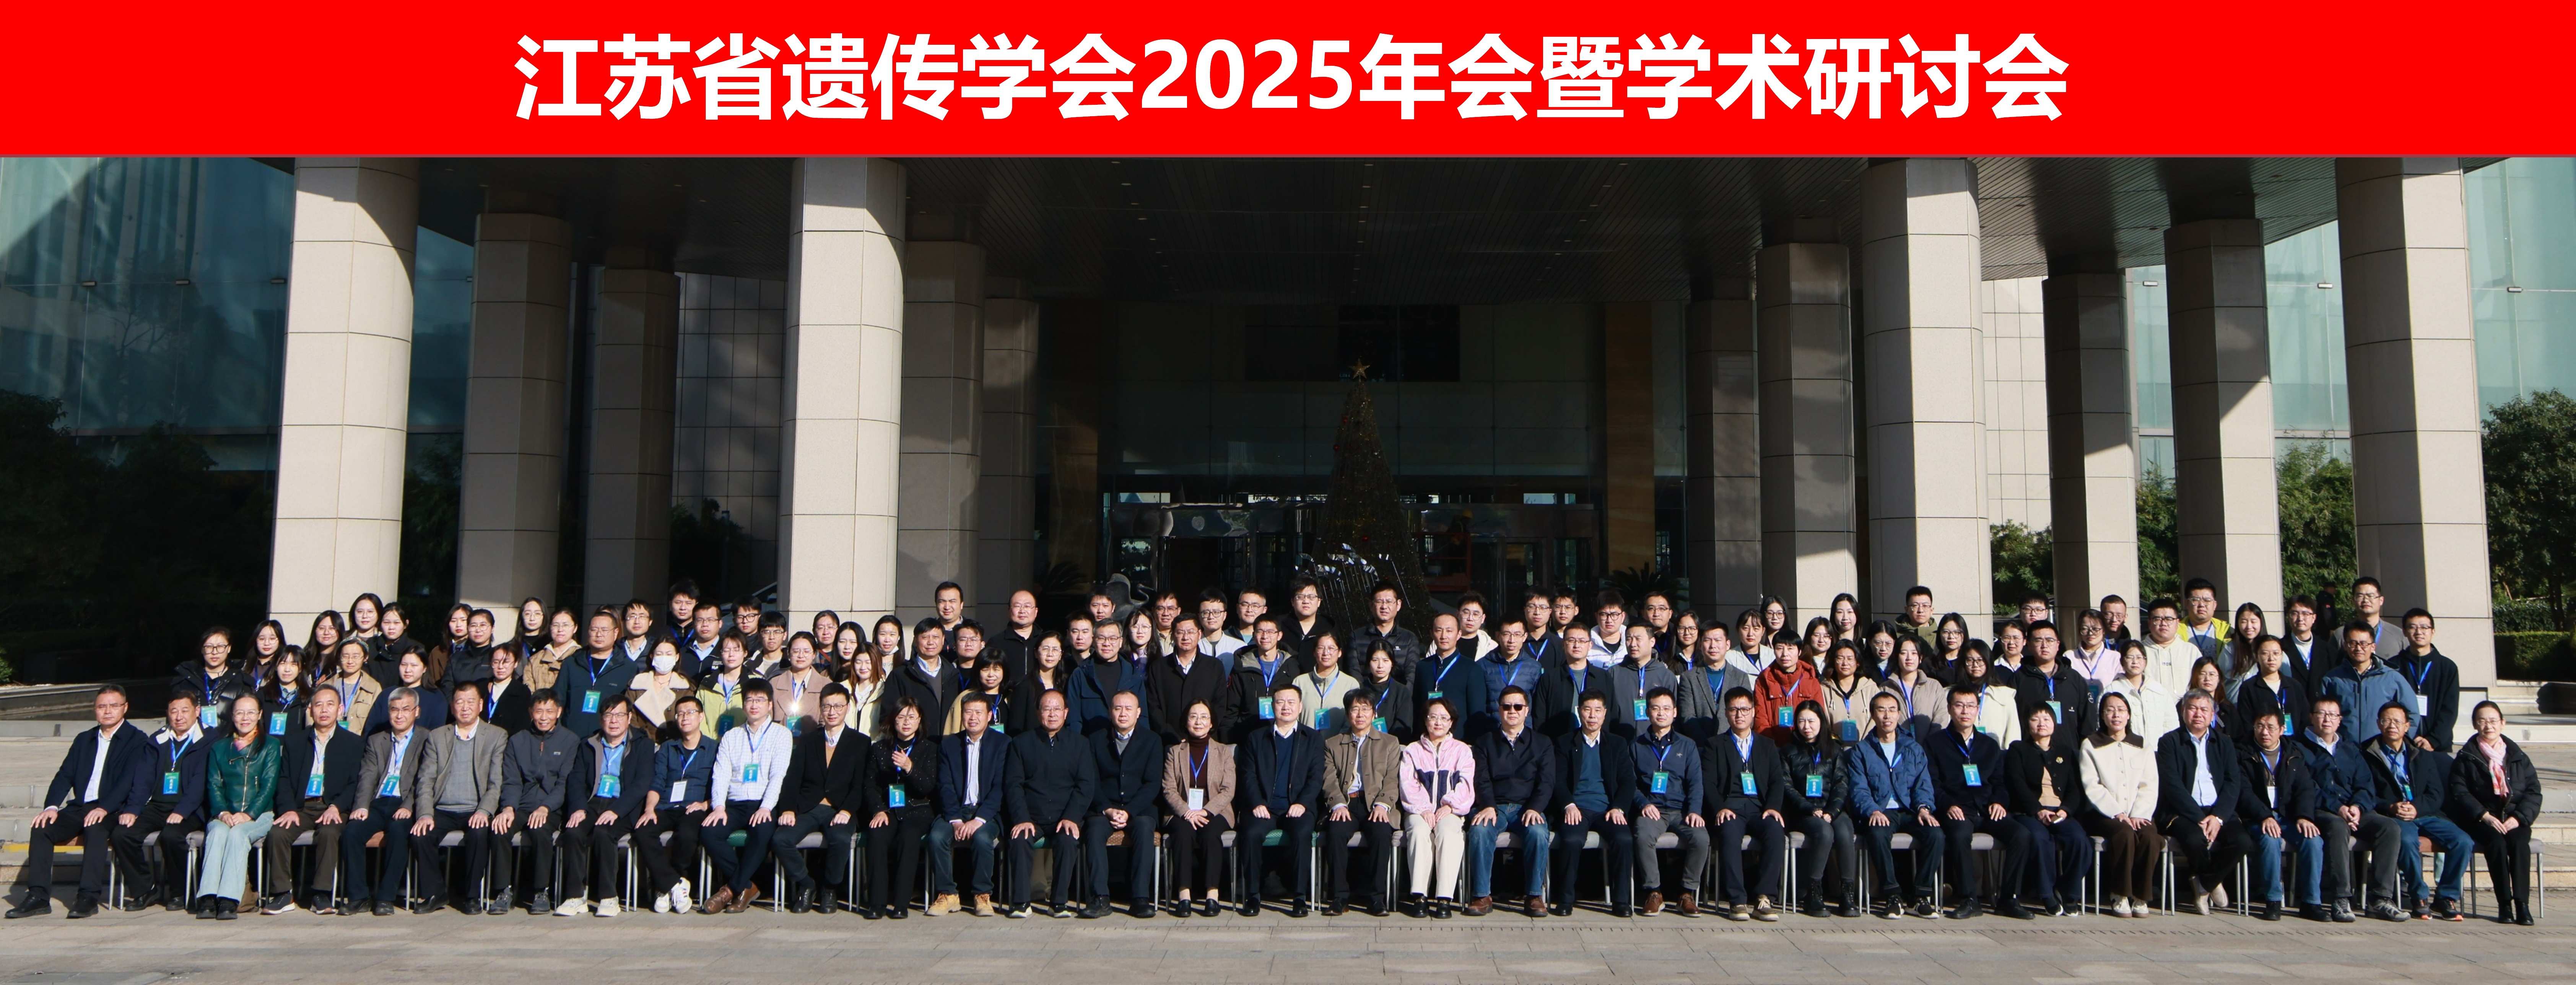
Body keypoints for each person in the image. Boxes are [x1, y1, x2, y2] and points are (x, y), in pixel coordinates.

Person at [7, 686, 152, 919]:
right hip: (81, 806)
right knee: (42, 828)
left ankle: (88, 897)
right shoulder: (85, 739)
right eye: (102, 706)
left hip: (114, 809)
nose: (108, 711)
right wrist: (51, 807)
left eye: (114, 706)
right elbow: (64, 775)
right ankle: (38, 897)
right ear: (95, 710)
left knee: (95, 829)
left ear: (125, 708)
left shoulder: (137, 740)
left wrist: (104, 808)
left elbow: (128, 781)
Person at [1923, 684, 2033, 919]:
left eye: (1971, 706)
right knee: (1960, 834)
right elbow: (1933, 783)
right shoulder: (1935, 743)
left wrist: (1999, 802)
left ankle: (2009, 899)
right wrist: (1948, 805)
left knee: (2021, 834)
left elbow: (2000, 782)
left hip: (1986, 808)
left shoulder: (1989, 745)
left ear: (1978, 710)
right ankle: (1969, 899)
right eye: (1959, 706)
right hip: (1957, 809)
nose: (1965, 711)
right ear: (1950, 709)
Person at [2297, 694, 2402, 922]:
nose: (2327, 719)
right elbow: (2306, 788)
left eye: (2332, 715)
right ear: (2312, 717)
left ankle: (2380, 898)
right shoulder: (2299, 747)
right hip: (2322, 811)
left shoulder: (2349, 748)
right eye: (2321, 714)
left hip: (2354, 810)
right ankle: (2341, 898)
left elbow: (2366, 784)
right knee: (2337, 827)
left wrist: (2357, 807)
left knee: (2389, 827)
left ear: (2340, 720)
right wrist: (2339, 808)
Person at [2365, 701, 2473, 920]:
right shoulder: (2367, 754)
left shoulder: (2421, 754)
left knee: (2463, 841)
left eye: (2398, 721)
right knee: (2406, 841)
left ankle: (2446, 897)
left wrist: (2416, 808)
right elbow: (2365, 793)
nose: (2392, 726)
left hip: (2424, 813)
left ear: (2407, 726)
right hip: (2393, 815)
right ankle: (2419, 897)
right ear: (2378, 724)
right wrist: (2391, 807)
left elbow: (2436, 793)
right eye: (2387, 721)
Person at [259, 684, 360, 915]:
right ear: (310, 710)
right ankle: (283, 894)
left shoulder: (353, 743)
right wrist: (288, 809)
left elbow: (356, 783)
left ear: (340, 710)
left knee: (329, 833)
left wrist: (336, 807)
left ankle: (321, 894)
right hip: (301, 807)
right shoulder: (295, 741)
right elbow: (283, 779)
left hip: (333, 806)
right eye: (319, 705)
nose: (324, 710)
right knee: (278, 833)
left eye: (330, 705)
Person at [769, 683, 868, 914]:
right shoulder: (808, 741)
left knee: (840, 839)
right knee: (781, 839)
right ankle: (807, 884)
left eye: (838, 706)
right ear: (821, 709)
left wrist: (847, 810)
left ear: (848, 708)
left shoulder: (860, 742)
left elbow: (860, 785)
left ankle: (830, 889)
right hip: (808, 807)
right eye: (827, 707)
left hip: (840, 809)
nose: (832, 712)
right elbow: (793, 779)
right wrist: (788, 809)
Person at [406, 682, 505, 914]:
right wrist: (425, 814)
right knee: (420, 835)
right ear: (452, 707)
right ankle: (435, 893)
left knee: (479, 835)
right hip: (442, 809)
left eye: (471, 702)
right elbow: (426, 780)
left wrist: (484, 811)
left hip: (475, 808)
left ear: (481, 705)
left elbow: (496, 782)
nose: (465, 707)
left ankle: (472, 896)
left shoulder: (496, 736)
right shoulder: (438, 736)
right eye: (460, 702)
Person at [109, 693, 212, 913]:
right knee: (122, 834)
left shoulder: (209, 739)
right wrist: (133, 809)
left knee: (172, 836)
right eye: (174, 711)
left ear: (197, 711)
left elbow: (201, 782)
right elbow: (143, 779)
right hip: (158, 805)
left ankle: (179, 892)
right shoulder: (158, 740)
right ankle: (145, 889)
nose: (179, 717)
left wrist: (182, 810)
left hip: (192, 808)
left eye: (185, 711)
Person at [555, 696, 656, 917]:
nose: (614, 721)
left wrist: (616, 811)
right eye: (609, 715)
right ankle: (575, 896)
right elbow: (576, 779)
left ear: (629, 718)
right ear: (601, 719)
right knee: (573, 832)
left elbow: (642, 784)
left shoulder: (643, 745)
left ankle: (609, 897)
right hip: (593, 802)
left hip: (624, 805)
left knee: (604, 832)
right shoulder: (589, 744)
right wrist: (578, 808)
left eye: (619, 715)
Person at [699, 678, 794, 913]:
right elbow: (721, 774)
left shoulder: (782, 735)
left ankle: (728, 891)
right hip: (734, 804)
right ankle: (746, 887)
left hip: (763, 803)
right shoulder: (732, 736)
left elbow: (778, 775)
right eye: (750, 700)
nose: (754, 705)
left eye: (760, 700)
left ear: (770, 705)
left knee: (762, 833)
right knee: (709, 832)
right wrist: (719, 807)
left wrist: (766, 807)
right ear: (743, 705)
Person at [1846, 691, 1943, 919]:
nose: (1887, 716)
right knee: (1877, 833)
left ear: (1899, 714)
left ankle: (1920, 897)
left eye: (1892, 710)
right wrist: (1872, 809)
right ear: (1873, 715)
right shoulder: (1862, 751)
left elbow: (1923, 783)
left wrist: (1924, 808)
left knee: (1936, 835)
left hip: (1910, 810)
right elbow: (1859, 789)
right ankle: (1893, 896)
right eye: (1881, 710)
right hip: (1881, 811)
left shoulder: (1913, 748)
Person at [2156, 690, 2249, 916]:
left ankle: (2204, 884)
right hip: (2183, 812)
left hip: (2217, 811)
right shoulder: (2169, 742)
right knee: (2194, 839)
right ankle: (2213, 882)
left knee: (2242, 841)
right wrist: (2200, 818)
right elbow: (2172, 786)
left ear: (2213, 715)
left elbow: (2233, 782)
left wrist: (2217, 818)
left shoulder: (2224, 742)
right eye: (2193, 709)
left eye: (2204, 710)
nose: (2198, 714)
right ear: (2183, 712)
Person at [1236, 682, 1324, 917]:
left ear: (1300, 707)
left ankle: (1300, 897)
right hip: (1264, 807)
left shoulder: (1312, 738)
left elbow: (1316, 777)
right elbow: (1248, 775)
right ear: (1272, 706)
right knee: (1251, 833)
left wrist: (1302, 803)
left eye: (1291, 702)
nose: (1286, 707)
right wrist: (1257, 802)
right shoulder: (1256, 738)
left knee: (1302, 833)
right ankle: (1253, 896)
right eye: (1280, 702)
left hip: (1298, 806)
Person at [1466, 685, 1554, 917]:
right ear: (1499, 710)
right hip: (1495, 807)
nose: (1512, 711)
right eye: (1507, 707)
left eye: (1518, 706)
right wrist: (1488, 805)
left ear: (1527, 710)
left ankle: (1534, 896)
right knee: (1480, 830)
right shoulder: (1485, 742)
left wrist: (1535, 808)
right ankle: (1482, 896)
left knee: (1538, 832)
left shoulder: (1542, 743)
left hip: (1527, 808)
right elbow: (1481, 779)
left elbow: (1546, 782)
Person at [192, 693, 280, 921]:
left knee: (238, 835)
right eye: (240, 713)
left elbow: (269, 785)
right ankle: (208, 898)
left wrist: (249, 814)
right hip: (225, 814)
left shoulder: (271, 745)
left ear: (260, 715)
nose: (245, 718)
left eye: (251, 713)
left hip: (259, 814)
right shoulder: (219, 748)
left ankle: (229, 900)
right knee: (218, 833)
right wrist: (223, 812)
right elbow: (214, 784)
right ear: (232, 716)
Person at [1548, 694, 1636, 917]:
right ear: (1579, 712)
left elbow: (1628, 781)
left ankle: (1621, 901)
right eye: (1587, 710)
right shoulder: (1565, 743)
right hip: (1577, 809)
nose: (1592, 716)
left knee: (1624, 839)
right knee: (1571, 840)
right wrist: (1568, 805)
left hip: (1608, 810)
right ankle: (1565, 900)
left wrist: (1618, 807)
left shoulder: (1617, 744)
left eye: (1598, 710)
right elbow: (1557, 781)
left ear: (1605, 714)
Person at [2452, 701, 2540, 925]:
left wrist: (2519, 818)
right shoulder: (2467, 757)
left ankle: (2522, 905)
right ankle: (2505, 905)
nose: (2488, 726)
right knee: (2497, 844)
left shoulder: (2518, 756)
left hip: (2514, 818)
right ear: (2475, 725)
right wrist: (2484, 816)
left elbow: (2533, 792)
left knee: (2519, 844)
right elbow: (2460, 792)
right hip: (2482, 820)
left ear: (2503, 723)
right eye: (2482, 721)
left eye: (2493, 721)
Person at [339, 687, 424, 915]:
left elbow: (425, 779)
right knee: (352, 832)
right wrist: (362, 806)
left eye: (406, 710)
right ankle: (359, 897)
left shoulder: (427, 739)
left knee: (398, 831)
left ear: (416, 712)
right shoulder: (377, 740)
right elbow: (367, 776)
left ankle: (386, 897)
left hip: (406, 803)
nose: (400, 715)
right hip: (379, 801)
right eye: (395, 710)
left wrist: (409, 806)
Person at [490, 689, 576, 915]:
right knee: (500, 828)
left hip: (551, 806)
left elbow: (564, 783)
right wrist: (508, 808)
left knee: (540, 831)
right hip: (522, 804)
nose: (544, 717)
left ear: (559, 712)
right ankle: (503, 891)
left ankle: (541, 891)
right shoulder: (517, 740)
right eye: (539, 712)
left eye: (549, 711)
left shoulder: (570, 741)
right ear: (531, 712)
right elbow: (512, 780)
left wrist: (546, 807)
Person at [2002, 703, 2090, 917]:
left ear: (2055, 723)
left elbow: (2075, 789)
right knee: (2040, 839)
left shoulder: (2066, 752)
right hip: (2030, 812)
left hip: (2060, 812)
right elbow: (2017, 784)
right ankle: (2047, 894)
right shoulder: (2018, 750)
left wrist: (2065, 811)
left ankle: (2068, 892)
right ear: (2028, 724)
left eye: (2046, 719)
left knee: (2080, 840)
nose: (2041, 723)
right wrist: (2038, 810)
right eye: (2035, 719)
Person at [1707, 688, 1788, 922]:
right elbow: (1708, 783)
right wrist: (1720, 808)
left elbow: (1777, 781)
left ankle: (1764, 898)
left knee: (1776, 832)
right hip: (1730, 808)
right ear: (1726, 713)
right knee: (1730, 834)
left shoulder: (1767, 746)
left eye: (1744, 709)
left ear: (1754, 712)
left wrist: (1773, 807)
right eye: (1734, 710)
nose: (1739, 715)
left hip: (1759, 808)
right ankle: (1737, 900)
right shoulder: (1715, 745)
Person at [1320, 689, 1401, 917]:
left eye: (1365, 709)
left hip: (1376, 804)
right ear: (1348, 714)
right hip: (1347, 803)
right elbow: (1329, 780)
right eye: (1355, 709)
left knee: (1381, 834)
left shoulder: (1390, 743)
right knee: (1336, 832)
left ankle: (1377, 899)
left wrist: (1382, 804)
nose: (1360, 714)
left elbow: (1393, 779)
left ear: (1374, 713)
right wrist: (1338, 804)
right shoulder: (1333, 744)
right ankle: (1339, 897)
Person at [1083, 690, 1163, 918]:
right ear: (1110, 712)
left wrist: (1129, 812)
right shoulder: (1095, 740)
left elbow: (1152, 784)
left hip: (1138, 808)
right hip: (1105, 807)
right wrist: (1107, 809)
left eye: (1129, 709)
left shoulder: (1152, 741)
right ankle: (1100, 898)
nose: (1123, 713)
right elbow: (1091, 781)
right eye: (1118, 708)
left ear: (1138, 713)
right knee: (1094, 830)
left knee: (1145, 829)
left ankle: (1140, 899)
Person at [2080, 691, 2160, 917]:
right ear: (2102, 716)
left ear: (2129, 715)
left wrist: (2139, 814)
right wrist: (2117, 812)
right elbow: (2092, 785)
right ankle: (2120, 893)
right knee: (2124, 834)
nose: (2116, 715)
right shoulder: (2091, 745)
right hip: (2104, 814)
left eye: (2121, 710)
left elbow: (2149, 784)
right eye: (2110, 710)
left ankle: (2142, 896)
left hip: (2138, 813)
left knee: (2150, 836)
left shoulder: (2142, 745)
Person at [1627, 688, 1707, 916]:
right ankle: (1654, 892)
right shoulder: (1637, 745)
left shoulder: (1687, 745)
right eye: (1656, 709)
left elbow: (1696, 783)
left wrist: (1694, 811)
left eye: (1666, 709)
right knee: (1643, 836)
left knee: (1701, 838)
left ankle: (1686, 894)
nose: (1661, 713)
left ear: (1675, 712)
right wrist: (1644, 804)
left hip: (1681, 810)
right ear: (1647, 712)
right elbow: (1629, 784)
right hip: (1652, 810)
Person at [2239, 705, 2323, 921]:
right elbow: (2243, 792)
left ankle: (2312, 902)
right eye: (2260, 726)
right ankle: (2273, 900)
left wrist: (2304, 816)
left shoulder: (2294, 754)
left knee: (2313, 840)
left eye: (2270, 727)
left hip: (2288, 817)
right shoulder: (2244, 753)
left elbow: (2305, 789)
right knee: (2270, 840)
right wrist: (2264, 816)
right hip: (2258, 818)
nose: (2264, 732)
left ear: (2282, 729)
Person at [635, 694, 717, 915]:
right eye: (680, 714)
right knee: (643, 830)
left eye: (690, 713)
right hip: (665, 806)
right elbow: (657, 782)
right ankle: (674, 885)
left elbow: (720, 785)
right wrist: (649, 809)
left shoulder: (714, 748)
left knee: (687, 835)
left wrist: (706, 804)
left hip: (695, 808)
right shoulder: (667, 748)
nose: (685, 718)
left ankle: (666, 887)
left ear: (701, 717)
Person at [1399, 698, 1477, 918]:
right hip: (1418, 810)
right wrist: (1424, 808)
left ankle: (1445, 898)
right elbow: (1408, 784)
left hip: (1450, 810)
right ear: (1425, 721)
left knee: (1449, 832)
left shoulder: (1462, 750)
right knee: (1418, 831)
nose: (1438, 723)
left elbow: (1466, 784)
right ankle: (1420, 896)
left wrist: (1449, 806)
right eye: (1433, 717)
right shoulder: (1413, 750)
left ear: (1452, 722)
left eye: (1444, 718)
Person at [863, 697, 940, 919]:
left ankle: (901, 904)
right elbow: (870, 785)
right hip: (888, 809)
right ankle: (877, 903)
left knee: (909, 838)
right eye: (901, 717)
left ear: (920, 721)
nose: (907, 722)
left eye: (912, 717)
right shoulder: (880, 749)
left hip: (917, 809)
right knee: (877, 836)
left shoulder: (929, 749)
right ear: (893, 720)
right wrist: (879, 809)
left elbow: (928, 786)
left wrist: (910, 767)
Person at [1781, 701, 1859, 918]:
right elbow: (1786, 786)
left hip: (1831, 809)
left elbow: (1841, 783)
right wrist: (1809, 809)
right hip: (1803, 812)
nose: (1807, 727)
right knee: (1824, 832)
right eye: (1802, 721)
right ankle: (1813, 892)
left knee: (1844, 830)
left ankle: (1847, 893)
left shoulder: (1834, 750)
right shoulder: (1788, 751)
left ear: (1821, 722)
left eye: (1812, 721)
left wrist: (1832, 811)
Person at [933, 692, 1009, 917]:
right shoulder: (949, 744)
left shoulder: (1003, 744)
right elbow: (945, 786)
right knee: (937, 837)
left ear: (990, 716)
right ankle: (948, 894)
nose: (973, 718)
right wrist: (956, 820)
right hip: (956, 811)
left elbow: (1000, 787)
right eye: (968, 712)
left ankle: (982, 895)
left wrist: (979, 820)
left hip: (987, 813)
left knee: (983, 839)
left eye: (978, 713)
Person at [1161, 700, 1234, 918]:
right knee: (1183, 833)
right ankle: (1184, 896)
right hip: (1182, 811)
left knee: (1211, 833)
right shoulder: (1175, 752)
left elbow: (1228, 790)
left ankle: (1213, 895)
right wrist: (1186, 812)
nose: (1198, 722)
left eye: (1204, 717)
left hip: (1215, 810)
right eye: (1193, 717)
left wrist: (1206, 811)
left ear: (1212, 723)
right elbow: (1169, 789)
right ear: (1186, 722)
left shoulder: (1224, 752)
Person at [2317, 621, 2420, 748]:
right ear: (2345, 646)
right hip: (2344, 749)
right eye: (2353, 643)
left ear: (2373, 647)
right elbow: (2321, 714)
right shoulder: (2333, 679)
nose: (2358, 648)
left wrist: (2398, 743)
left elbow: (2412, 713)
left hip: (2381, 751)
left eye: (2364, 644)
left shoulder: (2392, 678)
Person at [556, 609, 642, 741]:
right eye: (594, 630)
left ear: (616, 633)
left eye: (604, 630)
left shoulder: (628, 668)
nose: (599, 634)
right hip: (571, 738)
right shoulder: (572, 663)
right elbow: (558, 700)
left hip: (609, 740)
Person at [2387, 609, 2460, 753]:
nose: (2419, 632)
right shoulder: (2393, 667)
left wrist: (2433, 740)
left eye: (2424, 627)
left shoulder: (2447, 668)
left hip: (2438, 746)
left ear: (2433, 632)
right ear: (2405, 632)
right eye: (2413, 627)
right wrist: (2407, 737)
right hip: (2401, 744)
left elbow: (2450, 710)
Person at [1151, 618, 1231, 743]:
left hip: (1205, 741)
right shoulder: (1159, 667)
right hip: (1169, 742)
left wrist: (1203, 732)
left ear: (1199, 634)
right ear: (1173, 635)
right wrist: (1170, 734)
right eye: (1180, 632)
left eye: (1190, 632)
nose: (1185, 637)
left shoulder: (1214, 667)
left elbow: (1220, 704)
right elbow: (1154, 707)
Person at [1228, 616, 1306, 741]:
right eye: (1260, 632)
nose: (1265, 636)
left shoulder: (1292, 667)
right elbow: (1231, 709)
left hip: (1285, 736)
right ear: (1254, 635)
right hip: (1248, 737)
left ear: (1279, 635)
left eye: (1270, 632)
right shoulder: (1243, 667)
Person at [2014, 621, 2094, 741]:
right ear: (2029, 645)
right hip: (2031, 748)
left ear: (2058, 645)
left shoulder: (2073, 678)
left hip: (2069, 748)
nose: (2044, 645)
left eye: (2050, 640)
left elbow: (2087, 719)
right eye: (2038, 641)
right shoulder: (2019, 678)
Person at [1416, 614, 1490, 740]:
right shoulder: (1423, 666)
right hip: (1427, 740)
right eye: (1439, 631)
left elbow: (1477, 713)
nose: (1444, 636)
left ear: (1459, 634)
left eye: (1449, 631)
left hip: (1460, 741)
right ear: (1432, 634)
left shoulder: (1472, 668)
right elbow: (1417, 706)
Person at [1603, 624, 1680, 741]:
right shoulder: (1614, 673)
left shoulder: (1666, 676)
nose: (1633, 644)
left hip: (1655, 744)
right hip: (1620, 742)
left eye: (1638, 639)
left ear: (1652, 642)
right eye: (1629, 639)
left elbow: (1674, 717)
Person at [173, 627, 253, 735]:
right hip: (195, 742)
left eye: (220, 647)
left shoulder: (242, 681)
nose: (215, 652)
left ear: (229, 648)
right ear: (202, 650)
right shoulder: (186, 680)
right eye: (209, 647)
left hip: (229, 742)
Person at [2234, 635, 2311, 745]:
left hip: (2295, 746)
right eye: (2265, 654)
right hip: (2262, 746)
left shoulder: (2294, 686)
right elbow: (2246, 723)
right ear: (2257, 656)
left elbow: (2305, 719)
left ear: (2282, 656)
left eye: (2276, 653)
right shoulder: (2249, 687)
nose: (2271, 658)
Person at [1070, 626, 1145, 737]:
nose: (1107, 644)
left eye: (1113, 639)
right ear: (1094, 641)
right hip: (1089, 743)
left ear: (1121, 642)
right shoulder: (1081, 674)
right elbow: (1074, 719)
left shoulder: (1133, 674)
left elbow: (1143, 717)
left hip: (1128, 743)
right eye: (1101, 639)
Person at [1752, 631, 1824, 744]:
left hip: (1805, 746)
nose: (1785, 654)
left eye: (1791, 649)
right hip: (1774, 747)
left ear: (1799, 652)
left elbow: (1819, 717)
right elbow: (1760, 720)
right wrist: (1771, 747)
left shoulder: (1811, 681)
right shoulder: (1764, 681)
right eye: (1780, 648)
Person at [2103, 641, 2179, 740]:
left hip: (2156, 748)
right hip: (2124, 747)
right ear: (2122, 661)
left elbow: (2171, 723)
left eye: (2140, 658)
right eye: (2130, 657)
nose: (2135, 662)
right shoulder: (2111, 691)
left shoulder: (2159, 691)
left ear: (2146, 661)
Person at [1351, 582, 1425, 683]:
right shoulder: (1357, 637)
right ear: (1371, 605)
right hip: (1366, 692)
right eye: (1379, 602)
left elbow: (1412, 675)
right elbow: (1353, 673)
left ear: (1398, 605)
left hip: (1399, 692)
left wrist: (1402, 693)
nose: (1384, 607)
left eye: (1389, 602)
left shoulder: (1409, 639)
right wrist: (1364, 693)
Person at [1291, 632, 1361, 735]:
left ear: (1340, 653)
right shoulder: (1300, 682)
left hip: (1338, 744)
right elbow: (1293, 718)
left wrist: (1337, 742)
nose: (1326, 653)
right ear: (1314, 652)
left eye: (1331, 648)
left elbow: (1352, 721)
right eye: (1321, 648)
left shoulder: (1351, 684)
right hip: (1305, 743)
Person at [625, 638, 694, 733]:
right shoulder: (637, 685)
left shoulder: (686, 688)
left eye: (669, 654)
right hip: (641, 740)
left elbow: (688, 719)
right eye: (659, 654)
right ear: (652, 656)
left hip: (673, 740)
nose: (664, 658)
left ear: (677, 657)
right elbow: (629, 717)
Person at [695, 631, 756, 736]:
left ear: (745, 653)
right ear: (721, 653)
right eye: (727, 650)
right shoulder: (708, 683)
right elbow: (698, 713)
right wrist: (707, 741)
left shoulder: (754, 684)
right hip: (710, 743)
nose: (731, 655)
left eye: (736, 650)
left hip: (742, 742)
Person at [1356, 642, 1415, 742]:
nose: (1380, 666)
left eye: (1386, 661)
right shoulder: (1360, 690)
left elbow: (1404, 726)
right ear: (1369, 663)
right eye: (1375, 660)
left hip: (1393, 746)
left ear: (1392, 663)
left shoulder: (1402, 691)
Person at [2137, 599, 2197, 697]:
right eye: (2157, 619)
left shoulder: (2191, 651)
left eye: (2169, 619)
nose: (2164, 624)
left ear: (2177, 623)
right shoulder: (2139, 651)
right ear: (2149, 623)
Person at [948, 657, 1015, 737]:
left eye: (996, 670)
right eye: (986, 670)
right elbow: (952, 731)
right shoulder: (966, 697)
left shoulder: (1010, 697)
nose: (991, 675)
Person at [525, 607, 581, 693]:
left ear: (575, 628)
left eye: (566, 625)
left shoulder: (582, 658)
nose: (560, 630)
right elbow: (529, 692)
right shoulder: (535, 660)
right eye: (556, 625)